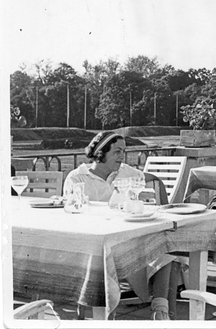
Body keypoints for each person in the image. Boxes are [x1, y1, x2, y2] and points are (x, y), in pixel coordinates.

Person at [63, 131, 177, 320]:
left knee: (163, 251)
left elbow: (154, 180)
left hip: (124, 237)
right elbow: (72, 212)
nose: (122, 156)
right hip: (93, 245)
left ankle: (160, 311)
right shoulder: (77, 178)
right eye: (117, 151)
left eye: (123, 151)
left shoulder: (124, 172)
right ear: (101, 152)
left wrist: (164, 209)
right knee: (152, 256)